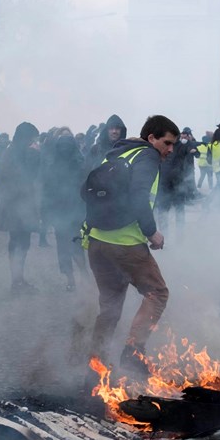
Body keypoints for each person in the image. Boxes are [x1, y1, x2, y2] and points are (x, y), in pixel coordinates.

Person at [85, 115, 179, 376]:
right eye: (167, 143)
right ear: (151, 138)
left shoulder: (116, 153)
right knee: (158, 293)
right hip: (125, 243)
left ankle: (96, 363)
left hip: (97, 242)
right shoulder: (147, 156)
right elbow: (139, 196)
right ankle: (133, 353)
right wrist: (152, 233)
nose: (170, 150)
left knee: (111, 304)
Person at [0, 122, 43, 292]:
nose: (33, 141)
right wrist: (35, 155)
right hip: (17, 206)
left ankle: (18, 279)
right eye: (31, 138)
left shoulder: (14, 150)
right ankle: (16, 281)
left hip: (19, 205)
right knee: (18, 243)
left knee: (22, 242)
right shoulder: (16, 153)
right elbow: (24, 177)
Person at [42, 129, 87, 291]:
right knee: (66, 247)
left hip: (74, 213)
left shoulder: (80, 164)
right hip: (61, 213)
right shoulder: (53, 166)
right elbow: (47, 191)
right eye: (62, 146)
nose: (65, 149)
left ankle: (80, 276)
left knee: (75, 245)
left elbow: (86, 189)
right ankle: (72, 278)